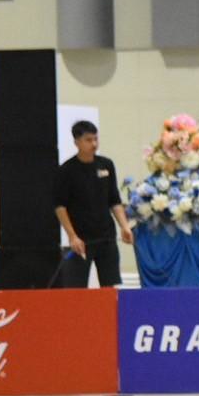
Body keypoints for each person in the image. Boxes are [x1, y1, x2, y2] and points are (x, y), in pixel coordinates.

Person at [53, 120, 133, 287]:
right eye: (88, 140)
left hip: (107, 237)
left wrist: (124, 226)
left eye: (96, 139)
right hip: (81, 240)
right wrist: (72, 236)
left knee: (110, 286)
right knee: (77, 287)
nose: (94, 144)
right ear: (77, 142)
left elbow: (114, 200)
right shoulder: (66, 170)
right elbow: (60, 206)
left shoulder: (106, 165)